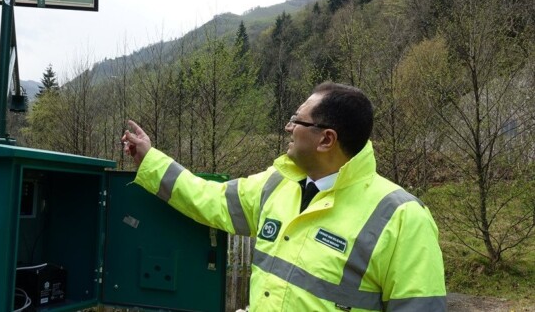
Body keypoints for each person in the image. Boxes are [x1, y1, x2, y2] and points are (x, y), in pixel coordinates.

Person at [121, 82, 446, 311]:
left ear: (326, 139)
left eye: (296, 120)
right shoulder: (277, 184)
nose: (289, 128)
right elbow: (211, 199)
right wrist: (151, 161)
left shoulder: (402, 218)